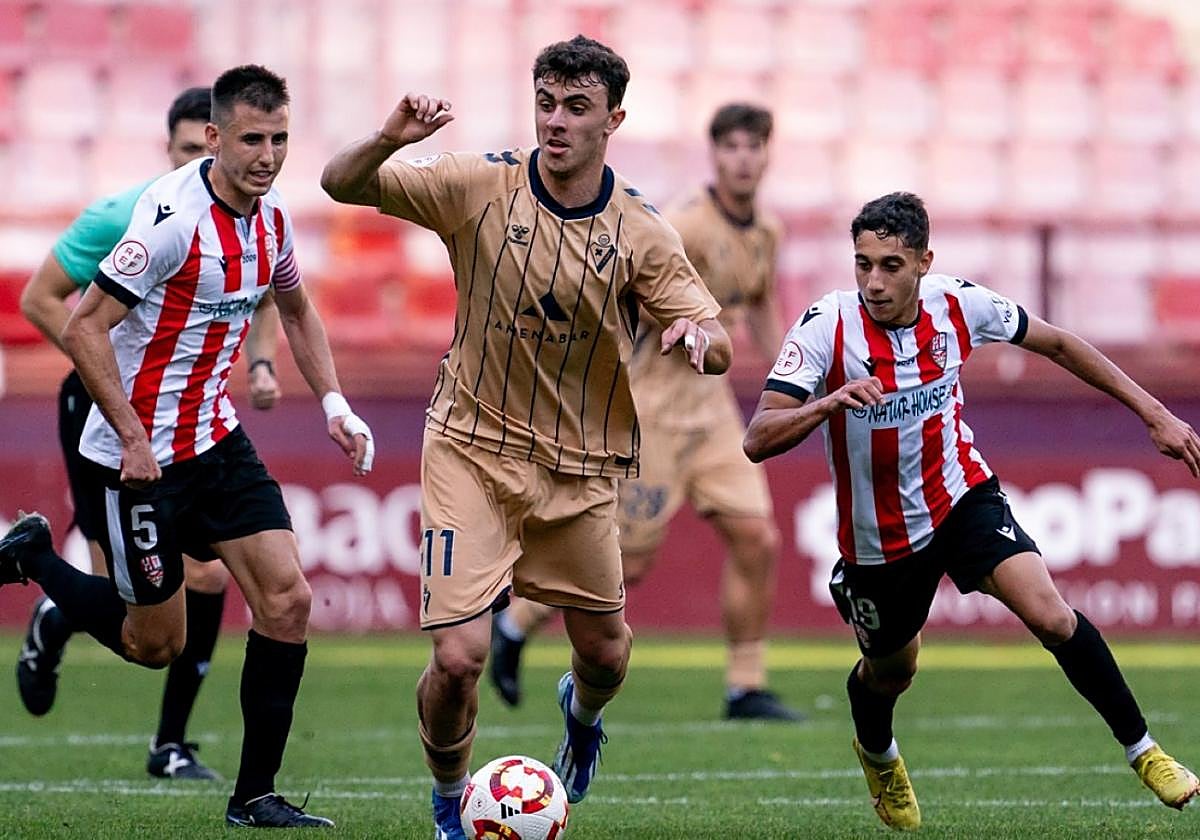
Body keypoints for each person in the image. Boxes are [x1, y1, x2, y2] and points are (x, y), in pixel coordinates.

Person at [321, 34, 732, 840]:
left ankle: (580, 718)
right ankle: (449, 804)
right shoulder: (480, 185)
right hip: (471, 448)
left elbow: (713, 339)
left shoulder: (643, 232)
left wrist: (694, 337)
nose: (556, 121)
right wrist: (389, 140)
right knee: (457, 659)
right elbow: (340, 185)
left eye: (577, 108)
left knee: (608, 657)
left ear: (613, 119)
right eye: (546, 103)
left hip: (581, 469)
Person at [743, 191, 1200, 830]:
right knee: (891, 672)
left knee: (1051, 615)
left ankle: (1145, 750)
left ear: (925, 261)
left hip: (961, 498)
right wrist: (827, 402)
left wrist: (1154, 412)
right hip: (880, 539)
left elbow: (1062, 345)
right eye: (862, 264)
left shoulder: (960, 305)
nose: (874, 282)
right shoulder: (827, 326)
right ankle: (879, 756)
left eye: (891, 265)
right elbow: (757, 437)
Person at [0, 64, 375, 829]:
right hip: (134, 462)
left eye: (280, 139)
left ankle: (255, 795)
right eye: (252, 140)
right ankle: (33, 555)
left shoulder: (272, 221)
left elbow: (298, 312)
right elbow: (81, 325)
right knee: (153, 645)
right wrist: (135, 438)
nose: (268, 156)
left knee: (287, 598)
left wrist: (335, 403)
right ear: (214, 137)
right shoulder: (170, 219)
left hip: (215, 441)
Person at [489, 103, 802, 721]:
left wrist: (796, 369)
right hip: (650, 408)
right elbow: (631, 285)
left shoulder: (767, 229)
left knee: (757, 537)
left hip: (712, 413)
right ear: (715, 155)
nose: (743, 158)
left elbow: (759, 301)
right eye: (732, 146)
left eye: (754, 146)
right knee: (628, 562)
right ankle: (516, 620)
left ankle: (745, 685)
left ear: (767, 154)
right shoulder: (684, 223)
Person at [15, 85, 282, 782]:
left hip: (189, 423)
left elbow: (264, 289)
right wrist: (112, 377)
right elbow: (42, 301)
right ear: (174, 149)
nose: (213, 160)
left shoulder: (247, 214)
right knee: (133, 600)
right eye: (196, 149)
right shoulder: (129, 215)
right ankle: (51, 604)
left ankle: (171, 742)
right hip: (106, 414)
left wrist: (257, 364)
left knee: (211, 573)